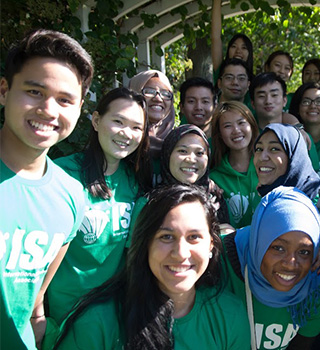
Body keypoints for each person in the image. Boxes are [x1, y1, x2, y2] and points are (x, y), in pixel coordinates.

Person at [54, 185, 251, 349]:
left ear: (211, 244)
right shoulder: (97, 323)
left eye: (194, 237)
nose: (181, 253)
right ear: (145, 244)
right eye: (166, 237)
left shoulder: (230, 315)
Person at [0, 29, 93, 349]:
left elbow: (34, 296)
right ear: (3, 90)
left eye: (65, 100)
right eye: (34, 92)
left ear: (80, 108)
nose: (49, 110)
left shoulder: (71, 196)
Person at [47, 87, 151, 327]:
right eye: (118, 121)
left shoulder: (134, 182)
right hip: (63, 316)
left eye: (137, 127)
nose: (127, 133)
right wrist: (37, 313)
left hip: (112, 315)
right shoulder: (61, 173)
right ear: (95, 120)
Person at [222, 186, 320, 349]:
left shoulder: (318, 286)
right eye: (278, 248)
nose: (290, 263)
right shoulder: (218, 263)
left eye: (304, 252)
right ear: (258, 242)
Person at [160, 124, 230, 225]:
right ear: (168, 155)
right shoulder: (151, 202)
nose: (191, 159)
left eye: (199, 153)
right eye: (183, 151)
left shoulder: (216, 199)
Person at [210, 101, 261, 228]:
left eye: (241, 122)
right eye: (227, 126)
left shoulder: (269, 168)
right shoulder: (214, 179)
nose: (236, 130)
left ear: (252, 126)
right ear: (220, 134)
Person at [254, 123, 320, 201]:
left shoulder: (296, 206)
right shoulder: (266, 196)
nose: (262, 157)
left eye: (274, 149)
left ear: (294, 157)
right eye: (259, 149)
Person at [128, 69, 176, 159]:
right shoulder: (123, 138)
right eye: (149, 92)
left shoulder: (179, 142)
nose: (158, 98)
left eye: (165, 94)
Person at [211, 0, 254, 82]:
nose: (238, 51)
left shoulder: (255, 82)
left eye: (244, 47)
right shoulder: (221, 71)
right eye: (234, 46)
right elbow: (215, 38)